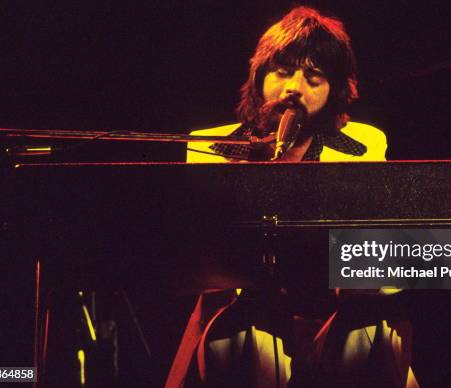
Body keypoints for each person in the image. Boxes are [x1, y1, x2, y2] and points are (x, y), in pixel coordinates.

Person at [166, 7, 418, 387]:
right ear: (259, 76)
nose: (294, 88)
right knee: (247, 331)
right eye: (282, 72)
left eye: (313, 77)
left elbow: (376, 256)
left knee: (371, 325)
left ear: (334, 88)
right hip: (247, 319)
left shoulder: (364, 142)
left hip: (336, 317)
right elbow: (196, 259)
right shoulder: (209, 143)